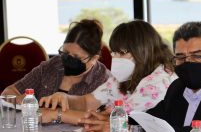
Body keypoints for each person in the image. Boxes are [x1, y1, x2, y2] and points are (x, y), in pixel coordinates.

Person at [39, 20, 177, 125]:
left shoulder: (159, 82)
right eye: (114, 53)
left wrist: (56, 114)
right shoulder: (126, 76)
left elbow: (115, 123)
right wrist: (64, 97)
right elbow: (88, 102)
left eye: (122, 53)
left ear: (143, 51)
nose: (116, 59)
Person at [1, 19, 109, 104]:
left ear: (94, 58)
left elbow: (96, 117)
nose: (68, 59)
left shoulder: (103, 79)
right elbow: (8, 92)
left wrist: (53, 114)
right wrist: (19, 100)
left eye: (76, 57)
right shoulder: (53, 65)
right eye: (66, 52)